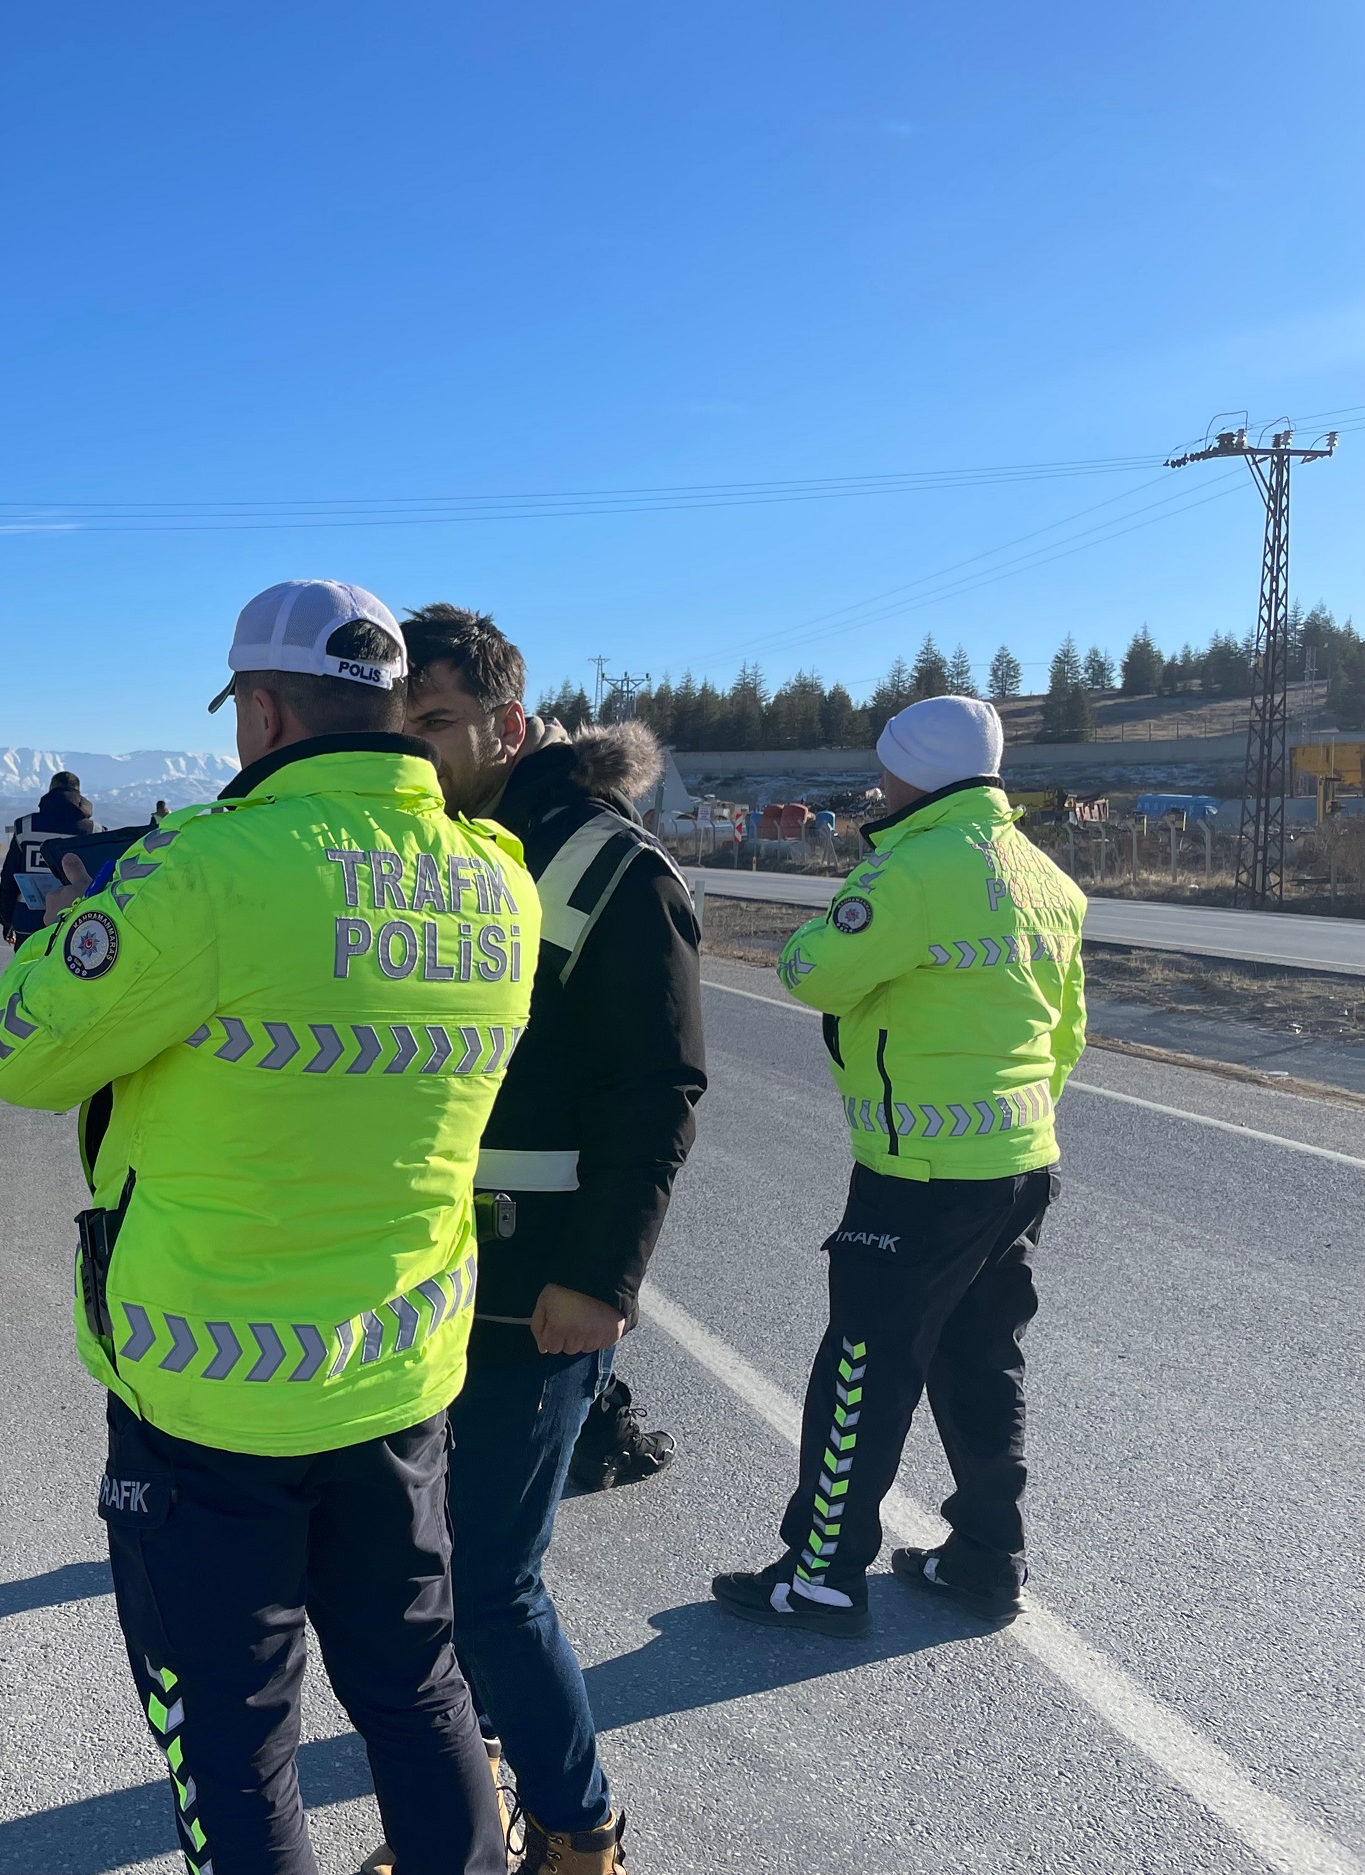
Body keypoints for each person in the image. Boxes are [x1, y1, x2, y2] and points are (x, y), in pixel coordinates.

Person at [0, 580, 535, 1875]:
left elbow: (17, 1053)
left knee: (234, 1749)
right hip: (399, 1379)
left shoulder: (202, 874)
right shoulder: (494, 880)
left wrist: (78, 931)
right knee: (420, 1694)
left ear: (263, 710)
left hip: (207, 1401)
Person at [391, 605, 706, 1875]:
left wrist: (599, 1279)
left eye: (438, 723)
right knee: (418, 1583)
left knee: (488, 1588)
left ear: (508, 725)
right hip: (417, 1280)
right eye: (393, 725)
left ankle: (580, 1836)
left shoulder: (606, 867)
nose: (414, 751)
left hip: (535, 1293)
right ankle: (484, 1819)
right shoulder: (438, 850)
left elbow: (657, 1090)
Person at [714, 694, 1086, 1636]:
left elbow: (812, 972)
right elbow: (1069, 1033)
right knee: (981, 1358)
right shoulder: (1048, 879)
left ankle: (825, 1572)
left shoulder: (910, 871)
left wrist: (837, 917)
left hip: (919, 1168)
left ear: (913, 769)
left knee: (863, 1368)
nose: (878, 778)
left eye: (888, 762)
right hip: (1022, 1161)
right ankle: (985, 1558)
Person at [0, 771, 96, 947]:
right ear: (79, 794)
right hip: (77, 923)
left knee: (27, 972)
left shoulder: (25, 827)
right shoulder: (95, 831)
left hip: (29, 922)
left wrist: (7, 920)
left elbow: (9, 877)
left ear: (51, 790)